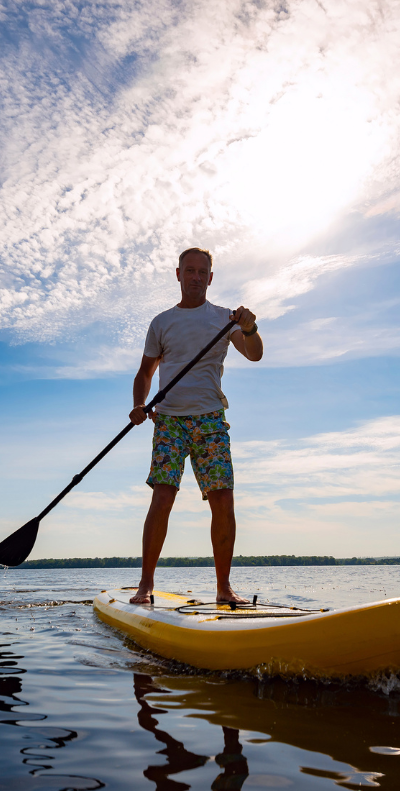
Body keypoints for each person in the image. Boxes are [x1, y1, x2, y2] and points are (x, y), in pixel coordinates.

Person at [128, 247, 263, 605]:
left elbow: (254, 353)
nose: (196, 277)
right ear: (178, 274)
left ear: (211, 277)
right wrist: (139, 405)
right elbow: (145, 372)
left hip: (210, 420)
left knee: (223, 500)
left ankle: (223, 587)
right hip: (169, 420)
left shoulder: (225, 319)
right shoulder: (162, 322)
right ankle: (146, 585)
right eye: (190, 270)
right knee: (163, 497)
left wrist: (250, 328)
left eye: (202, 271)